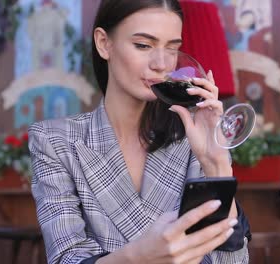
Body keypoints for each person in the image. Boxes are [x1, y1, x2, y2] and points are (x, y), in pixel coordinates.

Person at [28, 1, 250, 263]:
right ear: (103, 43)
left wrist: (217, 165)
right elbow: (66, 257)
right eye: (143, 45)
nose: (161, 64)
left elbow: (233, 261)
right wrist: (139, 256)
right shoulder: (55, 141)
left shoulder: (192, 138)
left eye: (172, 48)